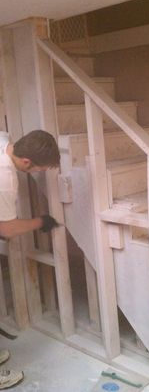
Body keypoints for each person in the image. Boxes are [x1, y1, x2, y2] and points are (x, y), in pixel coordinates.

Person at [0, 129, 60, 389]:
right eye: (40, 170)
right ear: (26, 162)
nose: (40, 174)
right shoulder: (5, 179)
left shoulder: (4, 141)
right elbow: (7, 228)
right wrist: (41, 221)